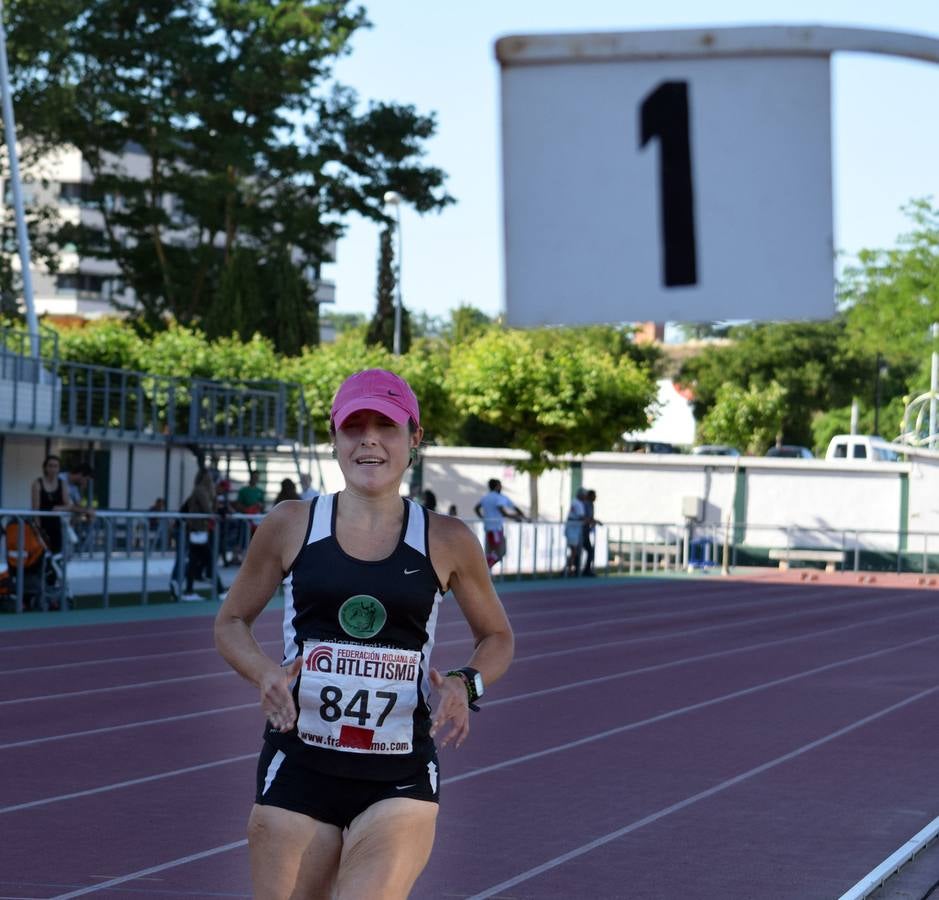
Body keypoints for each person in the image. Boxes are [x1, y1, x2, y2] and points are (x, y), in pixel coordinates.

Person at [215, 368, 514, 900]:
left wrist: (464, 685)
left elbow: (496, 637)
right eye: (354, 426)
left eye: (387, 426)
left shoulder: (447, 539)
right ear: (334, 438)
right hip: (299, 762)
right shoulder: (291, 524)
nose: (370, 438)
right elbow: (231, 622)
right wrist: (264, 672)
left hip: (397, 773)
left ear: (413, 439)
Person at [174, 469, 224, 602]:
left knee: (194, 562)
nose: (212, 480)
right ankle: (219, 590)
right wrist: (214, 500)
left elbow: (211, 509)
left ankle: (189, 591)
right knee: (208, 559)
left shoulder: (205, 490)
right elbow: (208, 510)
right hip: (197, 530)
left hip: (199, 530)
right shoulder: (201, 491)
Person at [30, 455, 93, 556]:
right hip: (42, 524)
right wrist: (38, 530)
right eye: (50, 466)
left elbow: (69, 505)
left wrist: (60, 508)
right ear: (45, 468)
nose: (53, 469)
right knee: (40, 555)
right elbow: (35, 509)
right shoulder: (37, 483)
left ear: (59, 468)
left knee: (57, 554)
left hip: (57, 525)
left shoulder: (62, 483)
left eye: (56, 466)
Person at [474, 478, 526, 569]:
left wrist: (483, 518)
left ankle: (485, 570)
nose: (501, 487)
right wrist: (516, 517)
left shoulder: (486, 497)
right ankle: (484, 569)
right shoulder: (499, 497)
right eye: (500, 485)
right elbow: (503, 511)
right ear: (497, 486)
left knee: (491, 553)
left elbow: (476, 508)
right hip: (496, 529)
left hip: (488, 528)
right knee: (500, 552)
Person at [563, 487, 588, 577]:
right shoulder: (577, 503)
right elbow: (581, 517)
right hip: (572, 528)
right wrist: (591, 521)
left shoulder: (578, 503)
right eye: (584, 495)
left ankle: (570, 569)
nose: (585, 497)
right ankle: (568, 570)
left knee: (576, 551)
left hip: (575, 528)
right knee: (573, 550)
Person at [581, 489, 601, 577]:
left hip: (586, 531)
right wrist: (594, 521)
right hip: (581, 531)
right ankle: (584, 570)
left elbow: (590, 518)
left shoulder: (591, 505)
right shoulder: (585, 504)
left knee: (589, 550)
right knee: (586, 550)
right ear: (590, 496)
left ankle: (586, 569)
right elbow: (584, 517)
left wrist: (593, 522)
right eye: (594, 495)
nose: (595, 497)